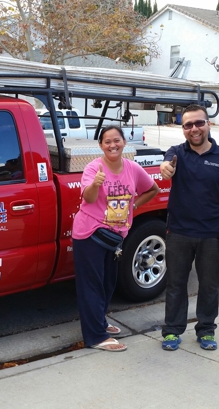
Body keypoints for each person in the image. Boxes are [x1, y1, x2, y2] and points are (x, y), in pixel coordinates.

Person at [159, 104, 219, 352]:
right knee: (175, 284)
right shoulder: (176, 153)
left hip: (212, 234)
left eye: (199, 123)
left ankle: (206, 329)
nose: (194, 129)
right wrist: (166, 168)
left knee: (209, 285)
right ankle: (172, 331)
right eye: (188, 125)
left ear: (208, 124)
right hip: (178, 233)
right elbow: (166, 167)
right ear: (183, 128)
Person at [72, 126, 159, 352]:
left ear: (124, 142)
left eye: (117, 140)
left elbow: (153, 189)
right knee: (91, 285)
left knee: (108, 283)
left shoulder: (132, 168)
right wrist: (96, 183)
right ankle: (95, 336)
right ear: (100, 145)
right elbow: (88, 198)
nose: (113, 145)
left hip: (115, 236)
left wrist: (134, 205)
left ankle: (99, 321)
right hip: (90, 233)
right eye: (107, 141)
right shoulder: (94, 168)